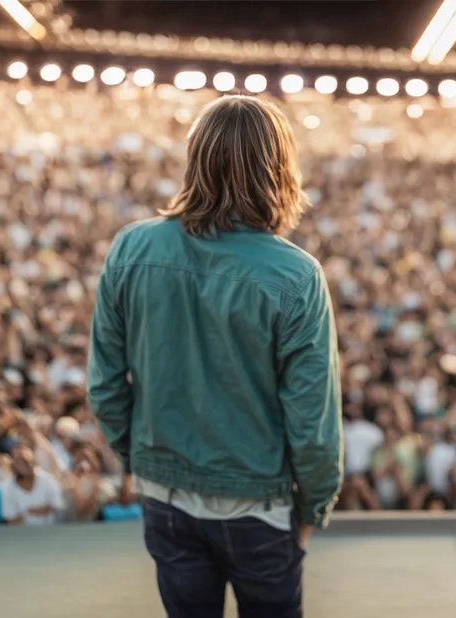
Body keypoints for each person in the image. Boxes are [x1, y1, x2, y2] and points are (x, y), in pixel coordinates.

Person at [88, 95, 344, 618]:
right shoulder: (295, 276)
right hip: (259, 505)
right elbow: (313, 423)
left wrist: (143, 460)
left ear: (196, 159)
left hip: (166, 492)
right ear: (279, 169)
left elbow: (105, 386)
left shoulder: (131, 250)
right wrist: (312, 509)